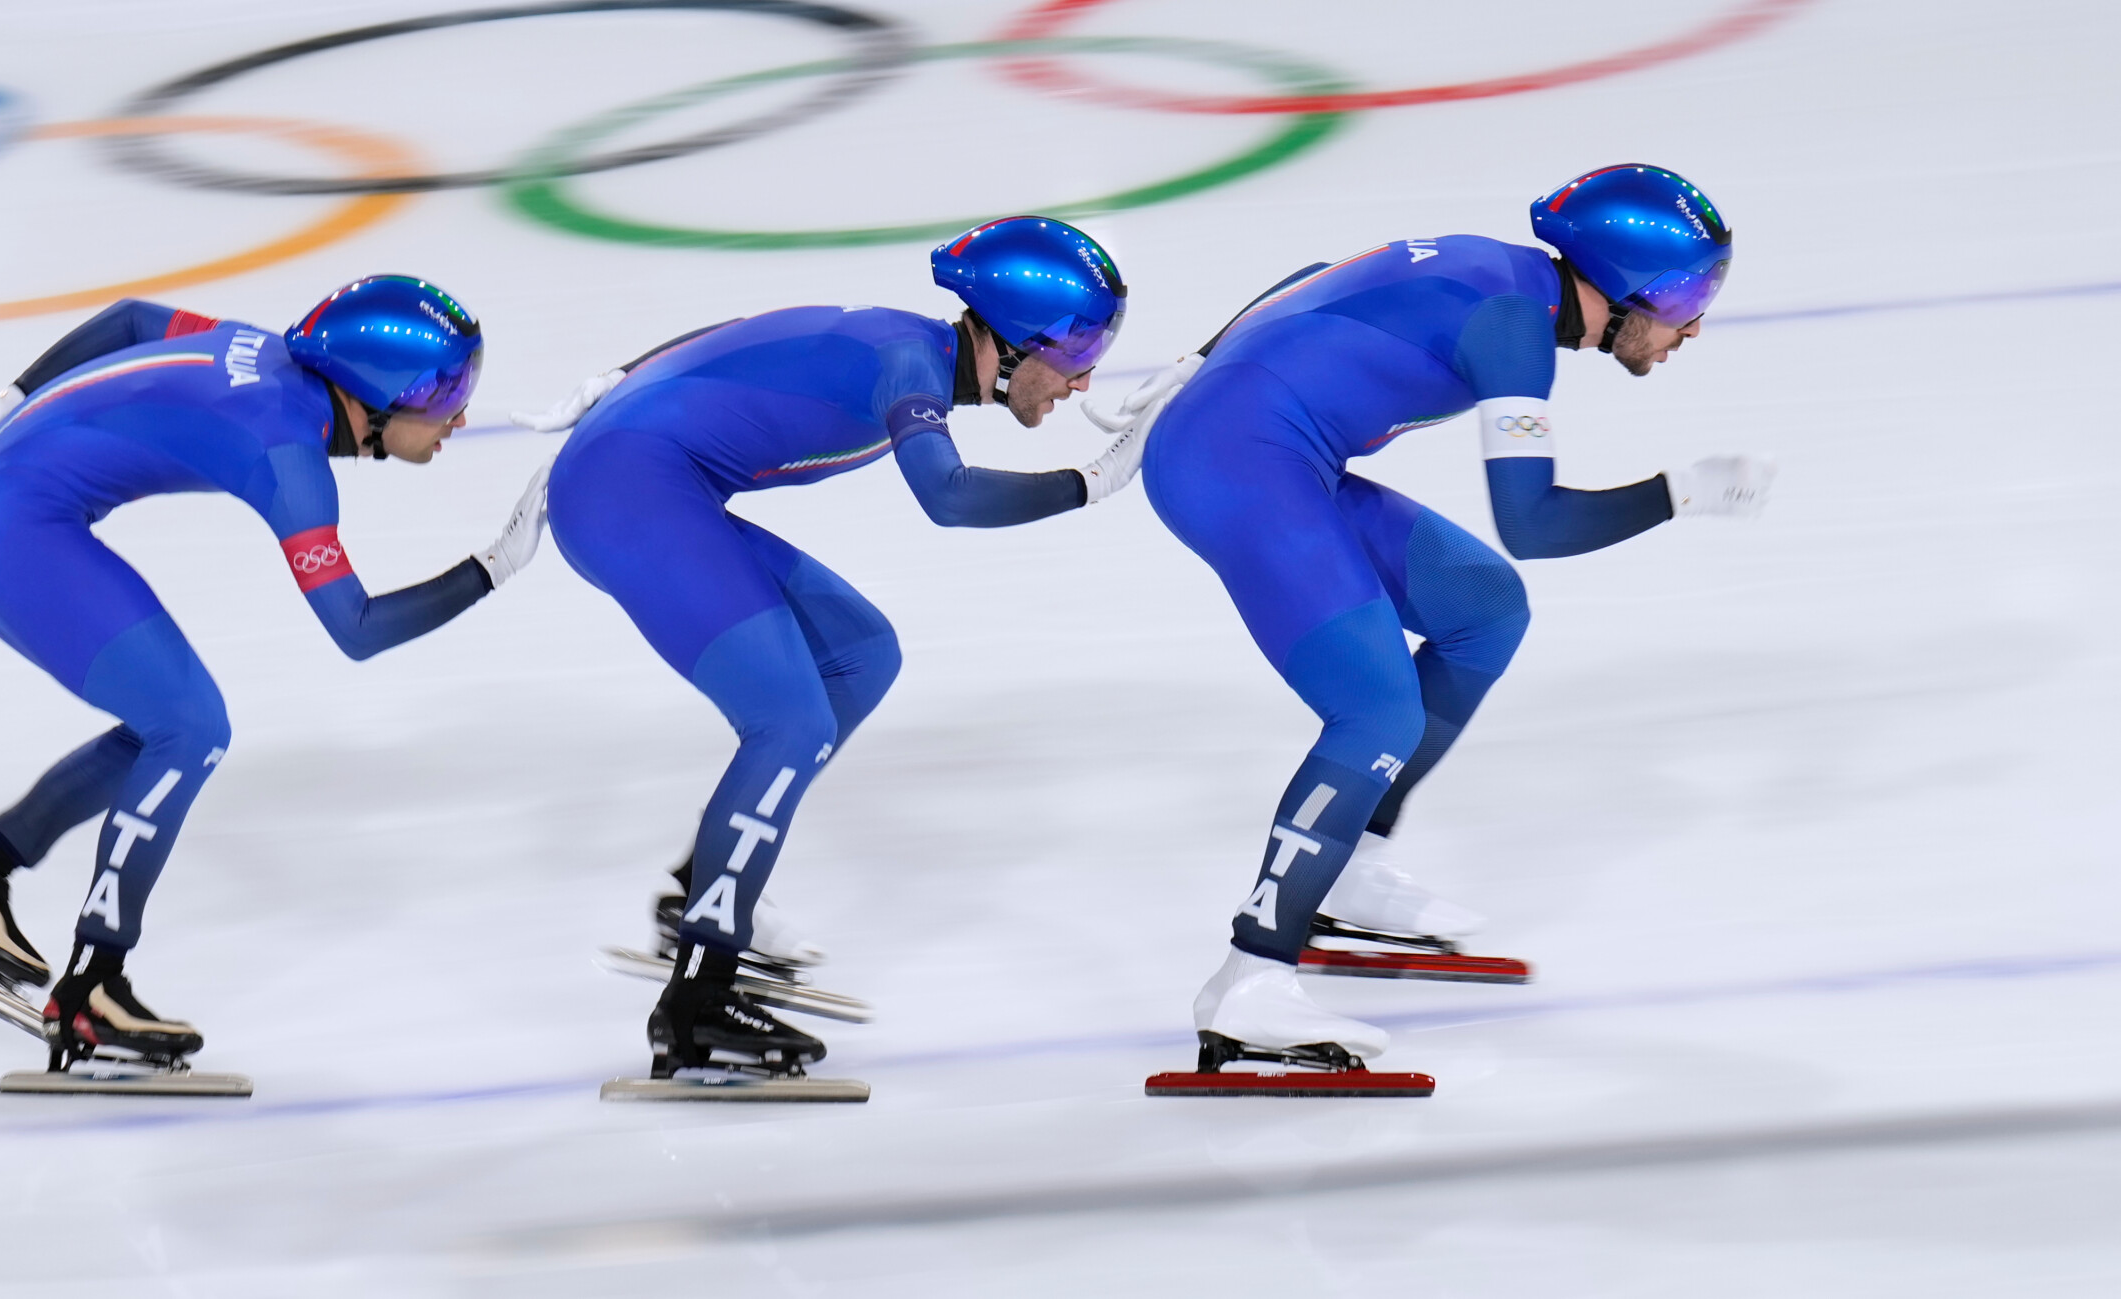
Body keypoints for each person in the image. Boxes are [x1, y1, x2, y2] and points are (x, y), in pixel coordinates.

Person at [1099, 165, 1773, 1075]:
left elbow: (1314, 269)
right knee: (1376, 712)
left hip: (1267, 451)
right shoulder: (1516, 330)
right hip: (1237, 468)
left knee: (1484, 606)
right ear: (1618, 283)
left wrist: (1193, 364)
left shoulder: (1500, 269)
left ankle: (1353, 859)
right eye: (1688, 293)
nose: (1694, 324)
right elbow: (1534, 524)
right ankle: (1251, 978)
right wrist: (1681, 493)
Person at [521, 217, 1150, 1081]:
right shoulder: (912, 364)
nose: (1084, 376)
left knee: (860, 653)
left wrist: (621, 376)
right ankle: (698, 999)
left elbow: (735, 331)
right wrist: (1088, 483)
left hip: (655, 485)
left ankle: (702, 884)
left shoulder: (903, 342)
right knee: (788, 718)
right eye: (1078, 344)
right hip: (626, 494)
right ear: (1007, 335)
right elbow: (948, 496)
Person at [0, 276, 549, 1072]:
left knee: (164, 725)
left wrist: (4, 401)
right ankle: (93, 988)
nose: (459, 413)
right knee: (192, 727)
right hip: (8, 531)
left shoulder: (254, 344)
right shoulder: (289, 456)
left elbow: (132, 317)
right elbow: (358, 630)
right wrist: (493, 566)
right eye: (444, 389)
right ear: (374, 391)